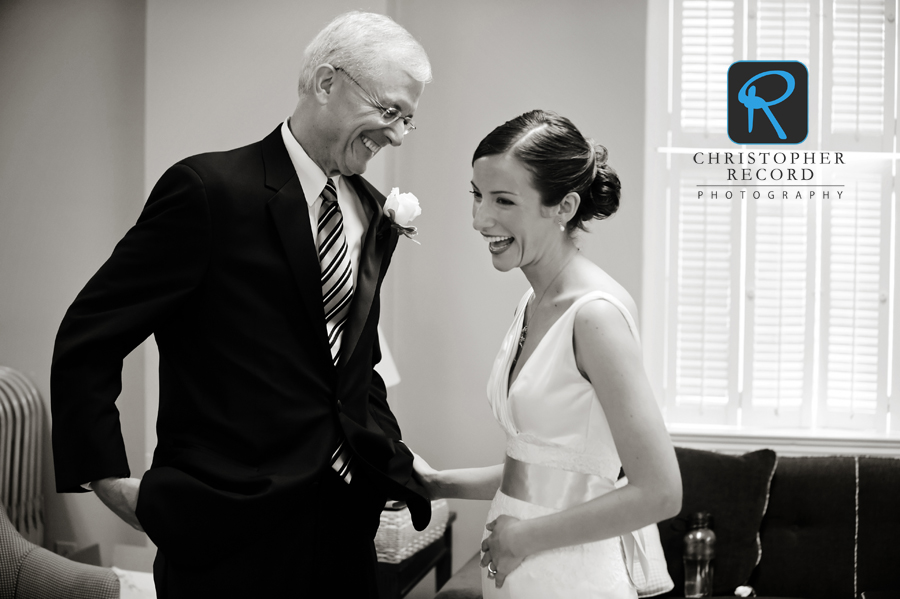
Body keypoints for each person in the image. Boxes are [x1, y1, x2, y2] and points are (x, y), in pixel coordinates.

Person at [50, 11, 431, 598]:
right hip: (227, 531)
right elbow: (89, 336)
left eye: (409, 118)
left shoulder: (374, 210)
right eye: (389, 112)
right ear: (327, 83)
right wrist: (106, 477)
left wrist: (385, 454)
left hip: (346, 529)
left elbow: (352, 364)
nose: (399, 135)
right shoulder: (207, 191)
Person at [413, 110, 683, 598]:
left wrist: (524, 537)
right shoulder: (533, 302)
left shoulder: (594, 317)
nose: (479, 219)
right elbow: (548, 472)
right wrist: (437, 482)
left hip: (571, 576)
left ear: (563, 207)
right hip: (518, 564)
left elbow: (661, 491)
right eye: (476, 195)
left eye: (503, 201)